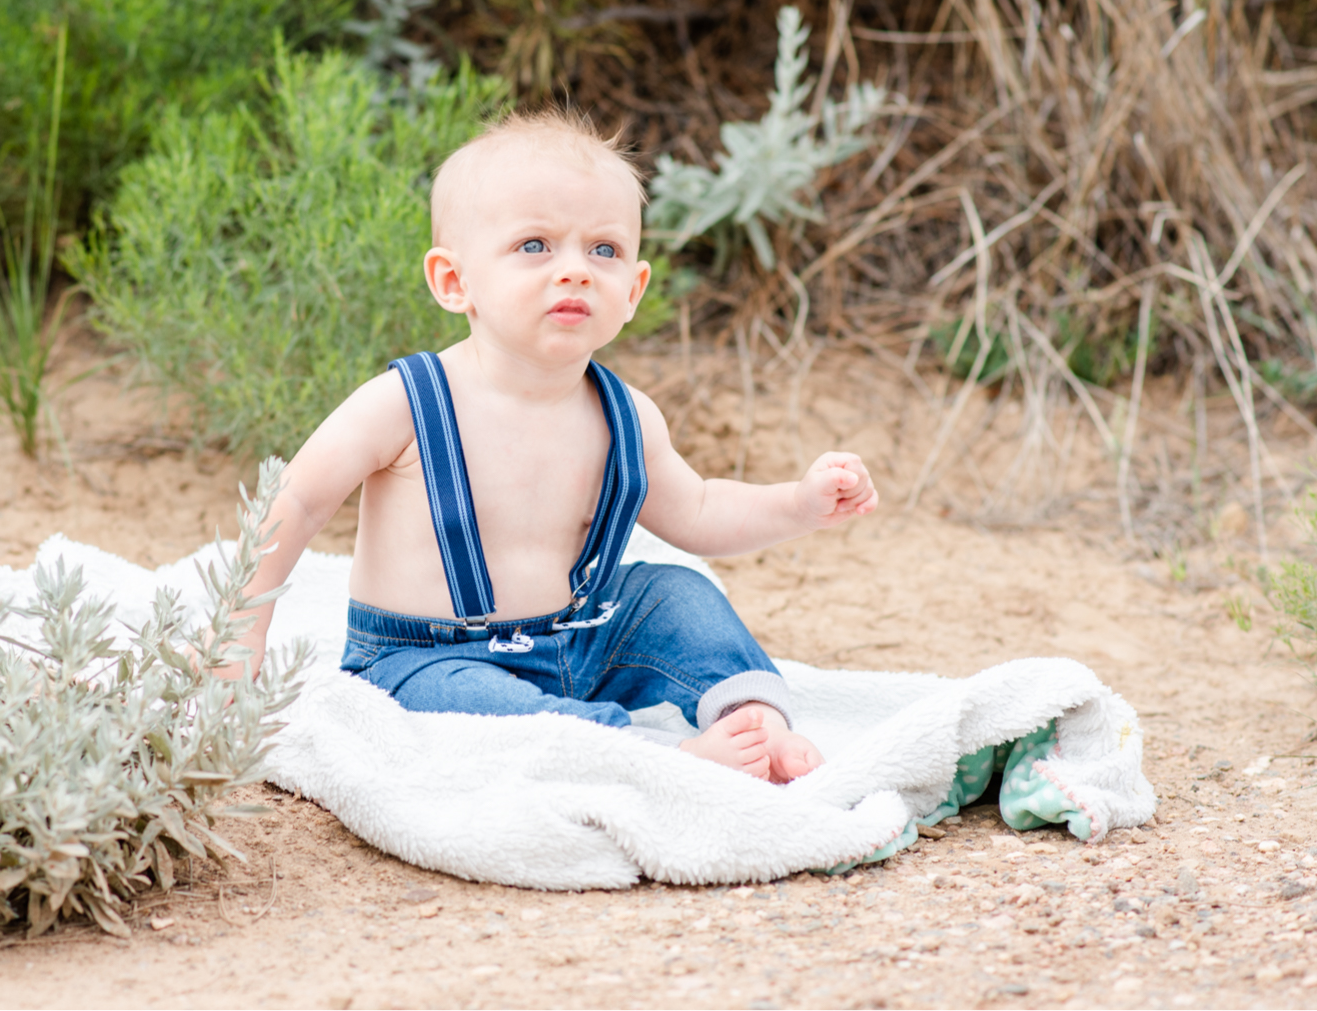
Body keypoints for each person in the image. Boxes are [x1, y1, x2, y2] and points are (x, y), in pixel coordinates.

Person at [226, 109, 878, 783]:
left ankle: (748, 713)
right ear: (455, 282)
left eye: (604, 250)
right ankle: (642, 755)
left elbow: (702, 510)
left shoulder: (626, 415)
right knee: (476, 705)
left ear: (634, 290)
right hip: (425, 657)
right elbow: (297, 502)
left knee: (675, 595)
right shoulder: (408, 404)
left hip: (582, 637)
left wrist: (799, 505)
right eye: (535, 246)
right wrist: (242, 630)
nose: (576, 271)